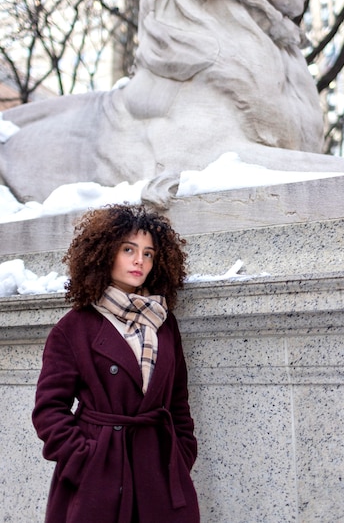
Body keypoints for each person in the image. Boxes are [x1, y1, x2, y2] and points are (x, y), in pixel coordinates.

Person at [32, 203, 200, 523]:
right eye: (128, 249)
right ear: (104, 252)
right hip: (98, 481)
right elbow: (48, 410)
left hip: (159, 476)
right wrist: (85, 459)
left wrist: (181, 454)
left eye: (148, 253)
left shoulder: (164, 323)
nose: (139, 260)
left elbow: (178, 403)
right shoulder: (74, 327)